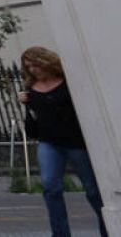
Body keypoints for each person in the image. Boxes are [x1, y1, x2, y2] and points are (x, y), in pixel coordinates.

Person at [20, 46, 109, 237]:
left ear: (46, 61)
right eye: (28, 67)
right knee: (50, 187)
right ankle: (60, 234)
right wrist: (25, 101)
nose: (33, 70)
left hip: (76, 141)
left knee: (92, 190)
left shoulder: (67, 82)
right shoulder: (30, 88)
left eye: (35, 65)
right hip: (48, 142)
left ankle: (108, 228)